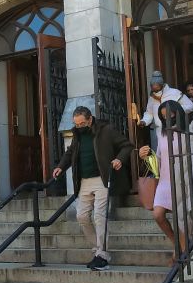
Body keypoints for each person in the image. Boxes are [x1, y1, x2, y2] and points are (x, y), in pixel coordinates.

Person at [52, 106, 134, 271]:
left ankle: (102, 255)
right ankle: (98, 250)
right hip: (84, 180)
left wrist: (119, 159)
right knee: (82, 216)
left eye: (82, 123)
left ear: (90, 119)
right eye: (77, 124)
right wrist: (61, 166)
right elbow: (70, 153)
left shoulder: (106, 130)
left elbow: (127, 145)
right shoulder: (77, 134)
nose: (79, 126)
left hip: (102, 179)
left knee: (99, 216)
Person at [138, 101, 193, 265]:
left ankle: (182, 253)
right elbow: (158, 159)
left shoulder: (190, 130)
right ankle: (179, 245)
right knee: (158, 215)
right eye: (163, 116)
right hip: (165, 181)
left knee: (181, 218)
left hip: (182, 178)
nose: (167, 118)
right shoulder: (162, 133)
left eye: (170, 115)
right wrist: (146, 155)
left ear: (178, 113)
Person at [138, 71, 193, 145]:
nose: (154, 88)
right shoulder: (152, 98)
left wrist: (175, 110)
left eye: (156, 86)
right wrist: (144, 121)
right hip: (159, 132)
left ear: (161, 85)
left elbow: (191, 106)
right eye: (152, 86)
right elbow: (149, 113)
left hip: (176, 129)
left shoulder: (175, 93)